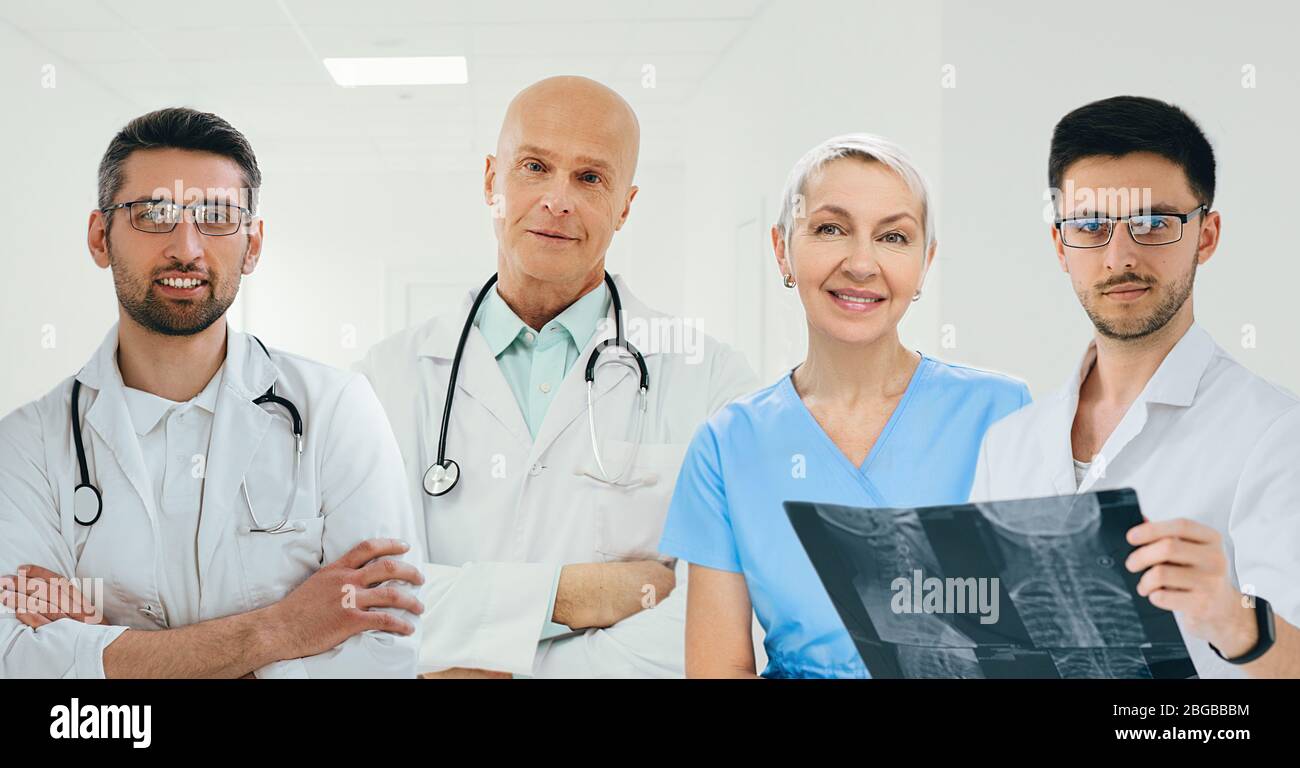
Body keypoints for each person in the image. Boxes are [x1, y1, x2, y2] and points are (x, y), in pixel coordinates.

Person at [0, 108, 424, 678]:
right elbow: (18, 661)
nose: (187, 249)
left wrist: (109, 652)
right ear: (101, 238)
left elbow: (387, 650)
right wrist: (286, 628)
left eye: (217, 217)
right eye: (154, 214)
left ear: (252, 245)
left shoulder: (339, 410)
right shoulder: (26, 445)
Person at [357, 76, 758, 678]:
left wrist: (500, 659)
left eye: (590, 178)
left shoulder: (712, 378)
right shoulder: (384, 380)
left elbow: (721, 621)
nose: (558, 199)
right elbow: (363, 602)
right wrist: (574, 596)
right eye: (535, 166)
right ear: (492, 181)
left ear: (625, 204)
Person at [658, 134, 1031, 678]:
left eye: (894, 237)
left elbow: (1042, 647)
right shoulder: (727, 446)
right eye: (830, 228)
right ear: (782, 248)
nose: (861, 263)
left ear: (925, 263)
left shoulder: (1000, 413)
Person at [972, 95, 1300, 678]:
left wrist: (1234, 618)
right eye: (1090, 226)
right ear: (1060, 246)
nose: (1119, 256)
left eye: (1152, 223)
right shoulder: (1010, 443)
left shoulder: (1276, 433)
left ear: (1205, 235)